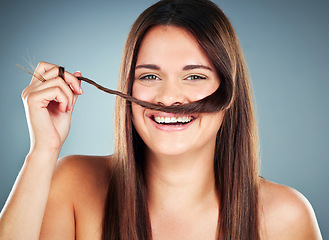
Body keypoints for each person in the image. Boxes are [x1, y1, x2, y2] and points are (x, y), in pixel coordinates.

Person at [0, 0, 322, 239]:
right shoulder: (73, 185)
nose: (169, 98)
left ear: (230, 95)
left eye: (195, 77)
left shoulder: (287, 218)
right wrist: (43, 150)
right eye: (150, 76)